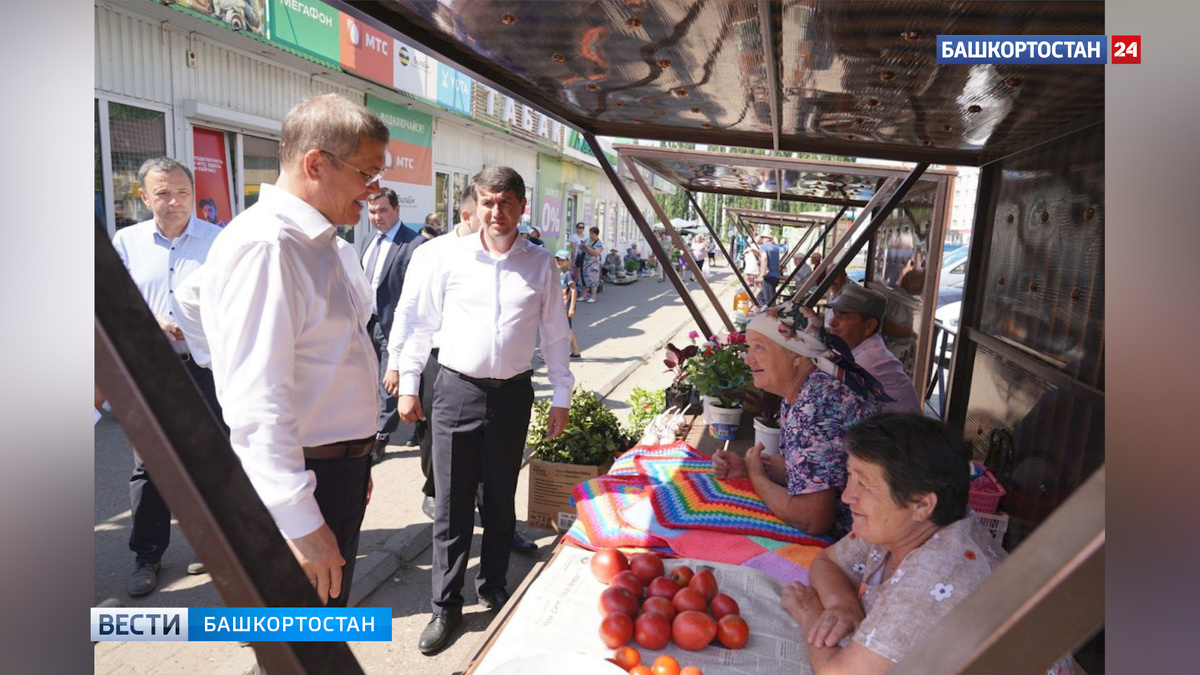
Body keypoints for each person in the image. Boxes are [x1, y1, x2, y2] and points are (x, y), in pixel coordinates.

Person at [179, 93, 387, 608]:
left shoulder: (322, 244)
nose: (373, 190)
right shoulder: (269, 247)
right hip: (305, 482)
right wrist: (299, 518)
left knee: (316, 640)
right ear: (316, 162)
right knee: (301, 644)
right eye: (367, 173)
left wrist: (353, 457)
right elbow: (256, 402)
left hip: (332, 472)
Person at [397, 167, 573, 655]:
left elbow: (556, 333)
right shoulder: (447, 257)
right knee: (451, 505)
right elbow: (420, 324)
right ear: (474, 204)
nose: (497, 213)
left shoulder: (540, 264)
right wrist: (408, 385)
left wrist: (563, 395)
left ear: (522, 205)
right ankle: (445, 606)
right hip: (456, 390)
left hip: (513, 394)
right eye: (488, 202)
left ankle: (493, 585)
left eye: (507, 202)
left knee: (500, 497)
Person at [781, 413, 1078, 675]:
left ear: (922, 504)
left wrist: (810, 614)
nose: (847, 496)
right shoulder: (907, 523)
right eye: (850, 476)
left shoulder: (934, 575)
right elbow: (828, 562)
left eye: (864, 484)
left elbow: (838, 673)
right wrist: (842, 606)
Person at [381, 184, 541, 553]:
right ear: (468, 215)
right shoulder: (434, 252)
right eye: (485, 211)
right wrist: (398, 366)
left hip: (488, 369)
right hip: (440, 362)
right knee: (438, 442)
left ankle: (499, 525)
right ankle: (441, 505)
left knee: (496, 460)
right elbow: (407, 312)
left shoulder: (508, 256)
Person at [111, 156, 224, 597]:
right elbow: (111, 304)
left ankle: (213, 547)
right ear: (144, 197)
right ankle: (147, 556)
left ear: (193, 194)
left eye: (181, 191)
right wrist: (149, 321)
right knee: (150, 466)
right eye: (162, 193)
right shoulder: (126, 242)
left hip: (206, 368)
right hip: (151, 371)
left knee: (213, 460)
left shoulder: (219, 241)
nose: (173, 201)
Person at [713, 300, 886, 538]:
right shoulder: (811, 389)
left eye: (759, 348)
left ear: (797, 355)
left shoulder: (814, 405)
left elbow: (812, 518)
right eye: (749, 348)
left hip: (869, 545)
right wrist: (750, 466)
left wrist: (757, 477)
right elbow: (812, 469)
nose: (748, 359)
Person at [361, 187, 426, 462]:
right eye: (372, 211)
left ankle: (381, 439)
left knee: (388, 383)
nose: (377, 217)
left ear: (398, 210)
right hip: (367, 324)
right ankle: (370, 427)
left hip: (395, 326)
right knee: (368, 380)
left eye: (383, 210)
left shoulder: (415, 245)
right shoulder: (367, 240)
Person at [824, 286, 921, 414]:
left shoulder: (868, 361)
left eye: (843, 316)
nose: (832, 322)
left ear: (869, 326)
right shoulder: (861, 349)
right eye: (835, 314)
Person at [556, 248, 582, 357]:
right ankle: (576, 351)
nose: (560, 262)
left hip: (566, 307)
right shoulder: (561, 274)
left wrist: (572, 307)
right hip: (561, 306)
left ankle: (559, 352)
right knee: (567, 329)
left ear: (568, 261)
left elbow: (573, 290)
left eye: (562, 260)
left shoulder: (568, 274)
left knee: (565, 330)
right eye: (558, 259)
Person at [757, 233, 784, 305]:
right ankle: (764, 312)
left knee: (769, 301)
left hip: (768, 276)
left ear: (763, 238)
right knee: (760, 297)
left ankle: (769, 314)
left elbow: (764, 258)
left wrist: (763, 272)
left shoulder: (763, 247)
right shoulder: (775, 247)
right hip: (776, 276)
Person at [580, 226, 604, 302]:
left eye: (592, 234)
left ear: (596, 234)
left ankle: (593, 297)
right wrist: (582, 246)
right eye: (590, 233)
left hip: (593, 265)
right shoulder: (587, 240)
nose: (590, 235)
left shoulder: (598, 243)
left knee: (593, 280)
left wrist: (586, 246)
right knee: (584, 279)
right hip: (585, 263)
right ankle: (584, 296)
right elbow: (582, 248)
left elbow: (595, 253)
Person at [570, 222, 587, 288]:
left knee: (582, 272)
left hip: (584, 256)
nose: (581, 229)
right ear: (577, 228)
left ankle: (582, 286)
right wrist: (572, 260)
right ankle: (575, 286)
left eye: (582, 227)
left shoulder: (586, 237)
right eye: (579, 227)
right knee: (576, 272)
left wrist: (584, 246)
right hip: (577, 256)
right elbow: (572, 249)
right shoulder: (574, 236)